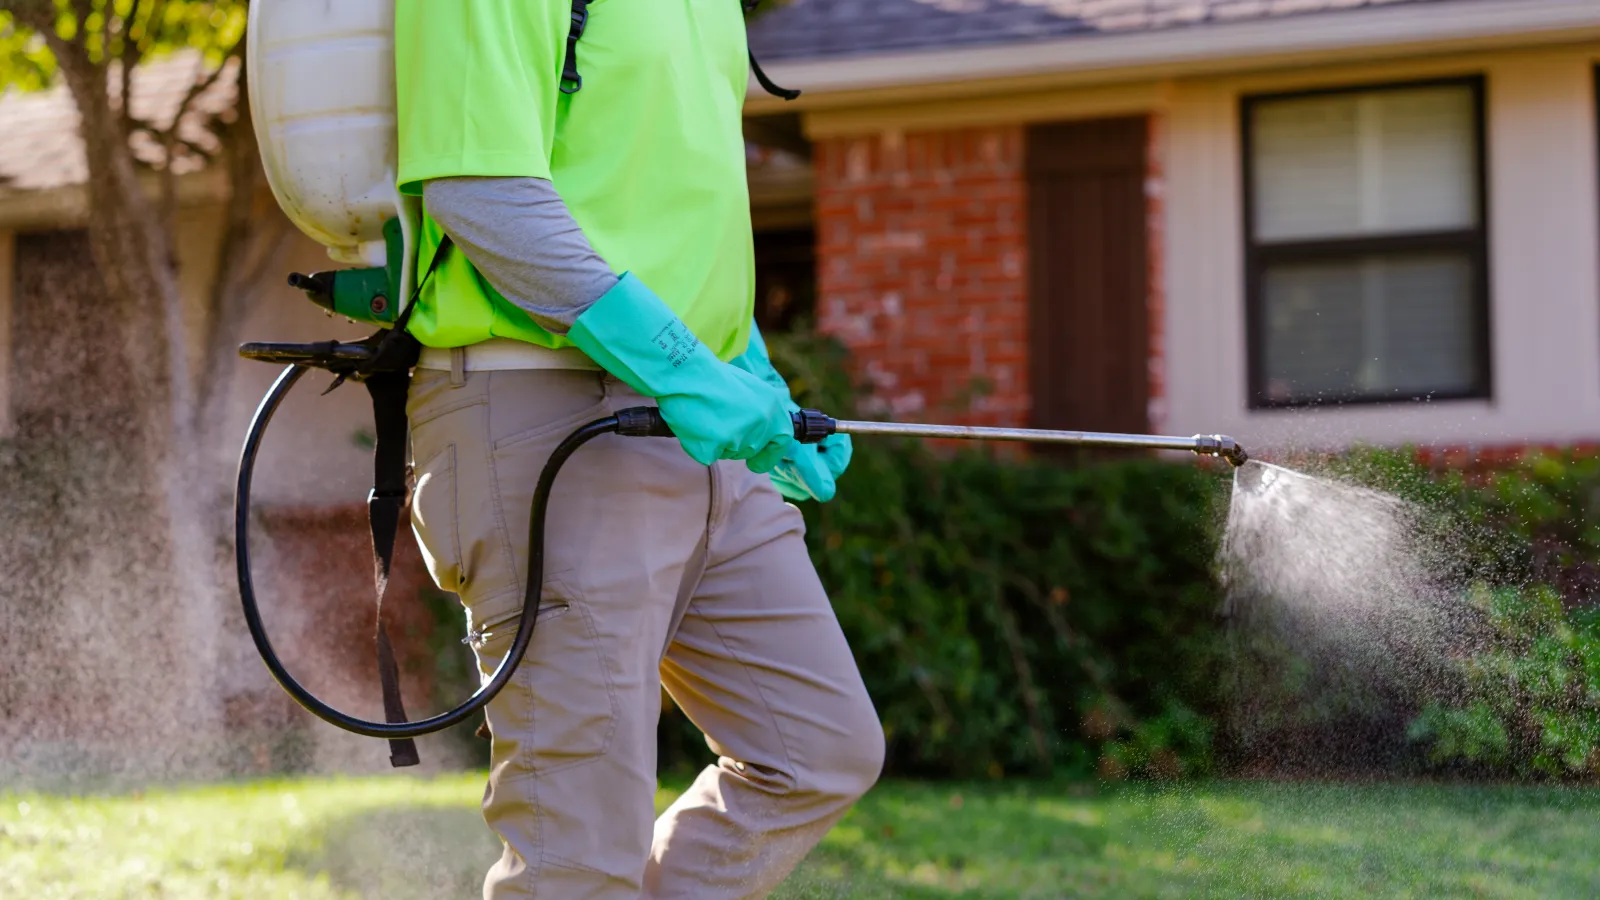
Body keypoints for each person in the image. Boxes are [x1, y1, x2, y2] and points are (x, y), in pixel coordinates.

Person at [393, 3, 885, 897]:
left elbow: (670, 208)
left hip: (688, 419)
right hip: (547, 413)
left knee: (814, 752)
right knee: (578, 858)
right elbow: (481, 194)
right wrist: (684, 366)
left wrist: (747, 371)